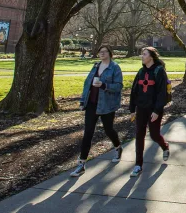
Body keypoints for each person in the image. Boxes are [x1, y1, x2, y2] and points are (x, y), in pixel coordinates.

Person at [70, 46, 124, 177]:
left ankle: (118, 147)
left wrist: (104, 85)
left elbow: (118, 86)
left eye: (104, 52)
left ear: (110, 54)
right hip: (92, 104)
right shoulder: (95, 66)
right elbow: (87, 83)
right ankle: (81, 164)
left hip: (107, 105)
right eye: (100, 52)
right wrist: (83, 101)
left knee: (108, 129)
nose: (102, 54)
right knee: (88, 133)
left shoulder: (115, 68)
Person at [128, 46, 170, 177]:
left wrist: (157, 110)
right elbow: (134, 91)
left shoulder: (159, 71)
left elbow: (162, 93)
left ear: (151, 56)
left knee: (154, 135)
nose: (142, 56)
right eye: (142, 54)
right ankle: (138, 165)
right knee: (139, 135)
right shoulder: (140, 72)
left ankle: (165, 146)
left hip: (154, 110)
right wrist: (132, 109)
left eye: (144, 54)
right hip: (141, 108)